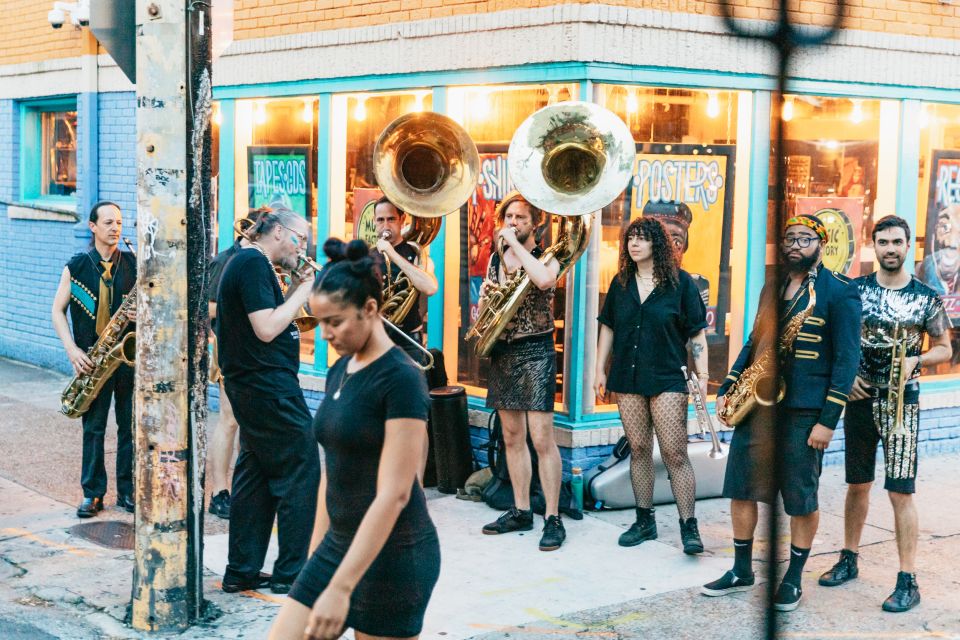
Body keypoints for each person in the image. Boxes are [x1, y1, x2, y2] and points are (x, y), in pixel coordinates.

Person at [269, 238, 439, 640]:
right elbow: (334, 467)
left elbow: (395, 494)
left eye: (335, 321)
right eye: (320, 320)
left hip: (395, 554)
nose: (325, 333)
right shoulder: (342, 368)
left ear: (370, 309)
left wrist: (341, 587)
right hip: (338, 543)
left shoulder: (402, 377)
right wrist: (315, 561)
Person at [701, 213, 861, 612]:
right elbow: (755, 341)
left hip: (805, 411)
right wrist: (730, 383)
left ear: (821, 244)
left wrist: (828, 420)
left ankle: (792, 578)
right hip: (758, 405)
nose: (794, 245)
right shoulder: (772, 285)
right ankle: (741, 570)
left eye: (804, 238)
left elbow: (846, 361)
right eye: (789, 237)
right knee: (741, 488)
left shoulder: (840, 291)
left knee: (800, 497)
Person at [818, 215, 951, 612]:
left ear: (908, 246)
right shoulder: (853, 292)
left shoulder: (927, 297)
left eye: (897, 242)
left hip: (901, 405)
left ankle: (908, 579)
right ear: (871, 245)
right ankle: (848, 557)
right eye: (883, 242)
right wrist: (846, 379)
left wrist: (918, 360)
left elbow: (946, 348)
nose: (890, 248)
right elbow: (832, 341)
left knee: (900, 491)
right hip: (859, 400)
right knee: (857, 484)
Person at [216, 209, 321, 594]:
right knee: (302, 471)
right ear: (278, 232)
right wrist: (306, 292)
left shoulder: (249, 264)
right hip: (269, 389)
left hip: (255, 387)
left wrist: (296, 288)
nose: (302, 248)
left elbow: (271, 318)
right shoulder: (252, 264)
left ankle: (242, 569)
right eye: (300, 240)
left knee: (255, 478)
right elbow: (266, 328)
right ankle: (291, 573)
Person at [594, 217, 709, 553]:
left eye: (642, 238)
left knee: (675, 452)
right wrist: (599, 370)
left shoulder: (681, 284)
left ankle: (689, 526)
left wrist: (702, 378)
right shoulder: (622, 283)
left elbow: (697, 333)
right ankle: (645, 521)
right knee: (639, 449)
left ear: (656, 244)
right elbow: (608, 327)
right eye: (630, 238)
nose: (634, 244)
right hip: (627, 378)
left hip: (668, 377)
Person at [478, 191, 566, 552]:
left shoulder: (551, 255)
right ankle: (521, 509)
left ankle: (553, 517)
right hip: (504, 353)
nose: (512, 224)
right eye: (509, 218)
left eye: (520, 219)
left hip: (536, 350)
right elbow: (488, 305)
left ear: (535, 223)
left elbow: (544, 281)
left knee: (542, 438)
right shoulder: (496, 258)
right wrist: (484, 299)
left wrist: (516, 244)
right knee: (512, 436)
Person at [52, 201, 137, 518]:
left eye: (119, 222)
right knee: (95, 429)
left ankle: (127, 492)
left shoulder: (134, 264)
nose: (115, 228)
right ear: (92, 227)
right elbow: (57, 311)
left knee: (129, 427)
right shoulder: (76, 266)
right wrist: (72, 350)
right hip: (92, 358)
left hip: (127, 358)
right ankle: (93, 493)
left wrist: (140, 313)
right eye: (108, 222)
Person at [206, 206, 270, 520]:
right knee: (229, 420)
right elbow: (207, 308)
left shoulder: (262, 262)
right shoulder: (224, 260)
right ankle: (219, 491)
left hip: (257, 352)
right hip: (230, 349)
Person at [372, 196, 438, 361]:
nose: (385, 225)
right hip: (375, 339)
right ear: (374, 221)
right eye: (380, 220)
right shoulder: (367, 256)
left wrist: (392, 254)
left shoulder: (416, 253)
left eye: (391, 219)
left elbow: (430, 288)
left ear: (402, 219)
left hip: (409, 341)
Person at [642, 201, 710, 306]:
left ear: (684, 247)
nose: (667, 248)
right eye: (657, 239)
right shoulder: (629, 283)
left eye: (676, 242)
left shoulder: (694, 285)